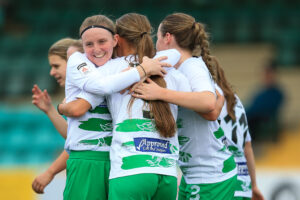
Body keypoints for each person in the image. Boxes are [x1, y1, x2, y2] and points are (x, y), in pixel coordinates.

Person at [59, 13, 192, 200]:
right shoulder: (167, 68)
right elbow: (191, 98)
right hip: (167, 173)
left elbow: (84, 102)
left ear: (116, 39)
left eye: (102, 41)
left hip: (129, 171)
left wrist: (62, 107)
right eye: (89, 44)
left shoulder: (111, 71)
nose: (96, 49)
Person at [132, 13, 238, 200]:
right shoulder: (175, 69)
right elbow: (215, 104)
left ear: (168, 37)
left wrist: (160, 93)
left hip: (210, 173)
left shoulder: (191, 66)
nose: (156, 43)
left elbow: (208, 103)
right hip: (194, 172)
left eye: (158, 36)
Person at [31, 38, 83, 194]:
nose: (51, 72)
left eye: (56, 66)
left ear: (73, 62)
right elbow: (73, 135)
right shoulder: (74, 95)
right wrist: (49, 110)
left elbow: (81, 142)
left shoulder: (84, 94)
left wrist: (50, 172)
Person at [214, 60, 264, 200]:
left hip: (223, 183)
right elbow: (247, 146)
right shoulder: (236, 101)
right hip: (244, 184)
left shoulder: (211, 100)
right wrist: (254, 185)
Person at [246, 60, 285, 143]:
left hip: (262, 118)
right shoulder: (260, 91)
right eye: (265, 74)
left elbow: (267, 108)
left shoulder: (277, 93)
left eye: (268, 74)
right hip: (253, 115)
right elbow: (252, 104)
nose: (266, 76)